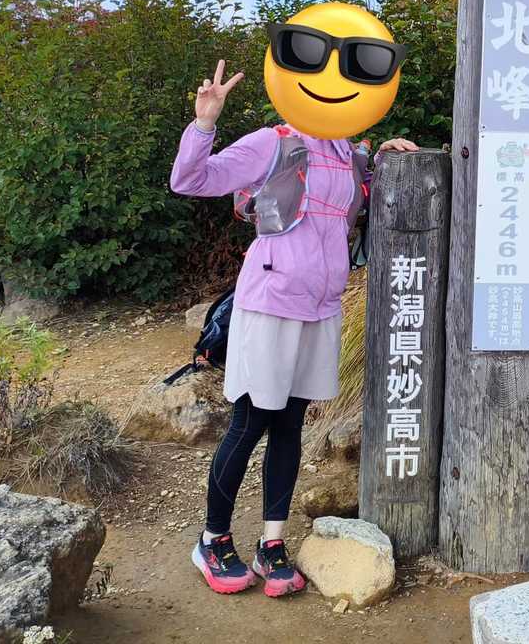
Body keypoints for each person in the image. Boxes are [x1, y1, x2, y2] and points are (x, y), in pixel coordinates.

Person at [171, 58, 417, 598]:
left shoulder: (348, 153)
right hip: (270, 303)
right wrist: (205, 123)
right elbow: (190, 180)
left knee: (290, 423)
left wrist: (383, 156)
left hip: (321, 307)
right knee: (251, 420)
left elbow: (353, 199)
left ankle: (272, 543)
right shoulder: (273, 142)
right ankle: (212, 540)